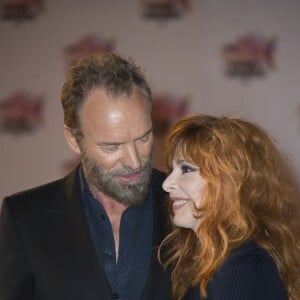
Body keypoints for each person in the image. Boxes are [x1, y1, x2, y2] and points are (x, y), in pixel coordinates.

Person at [0, 52, 172, 300]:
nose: (134, 161)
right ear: (73, 139)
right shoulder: (24, 219)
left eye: (143, 138)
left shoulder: (191, 208)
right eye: (112, 147)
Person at [158, 114, 300, 300]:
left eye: (186, 169)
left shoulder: (245, 265)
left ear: (229, 181)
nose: (167, 184)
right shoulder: (220, 260)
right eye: (172, 170)